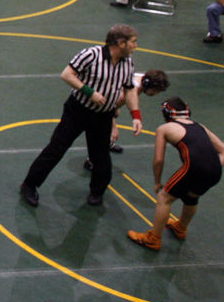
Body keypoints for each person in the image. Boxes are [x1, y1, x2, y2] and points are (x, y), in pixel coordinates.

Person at [20, 24, 142, 207]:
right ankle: (29, 185)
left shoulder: (128, 62)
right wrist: (89, 92)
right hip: (78, 111)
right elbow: (67, 74)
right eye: (133, 42)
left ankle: (97, 192)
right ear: (120, 42)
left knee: (100, 156)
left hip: (103, 115)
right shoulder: (91, 55)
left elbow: (130, 90)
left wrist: (136, 115)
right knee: (56, 148)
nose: (136, 46)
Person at [127, 97, 224, 250]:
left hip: (194, 168)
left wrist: (157, 182)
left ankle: (153, 239)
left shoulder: (165, 128)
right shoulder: (200, 126)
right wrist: (211, 168)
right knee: (191, 197)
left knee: (164, 197)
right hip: (215, 171)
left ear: (167, 113)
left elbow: (158, 160)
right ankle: (180, 228)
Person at [99, 69, 169, 157]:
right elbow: (106, 109)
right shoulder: (130, 90)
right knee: (101, 128)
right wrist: (114, 128)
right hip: (95, 103)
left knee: (114, 114)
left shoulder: (141, 78)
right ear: (149, 85)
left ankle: (106, 142)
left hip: (104, 98)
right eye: (156, 91)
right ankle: (92, 158)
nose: (156, 93)